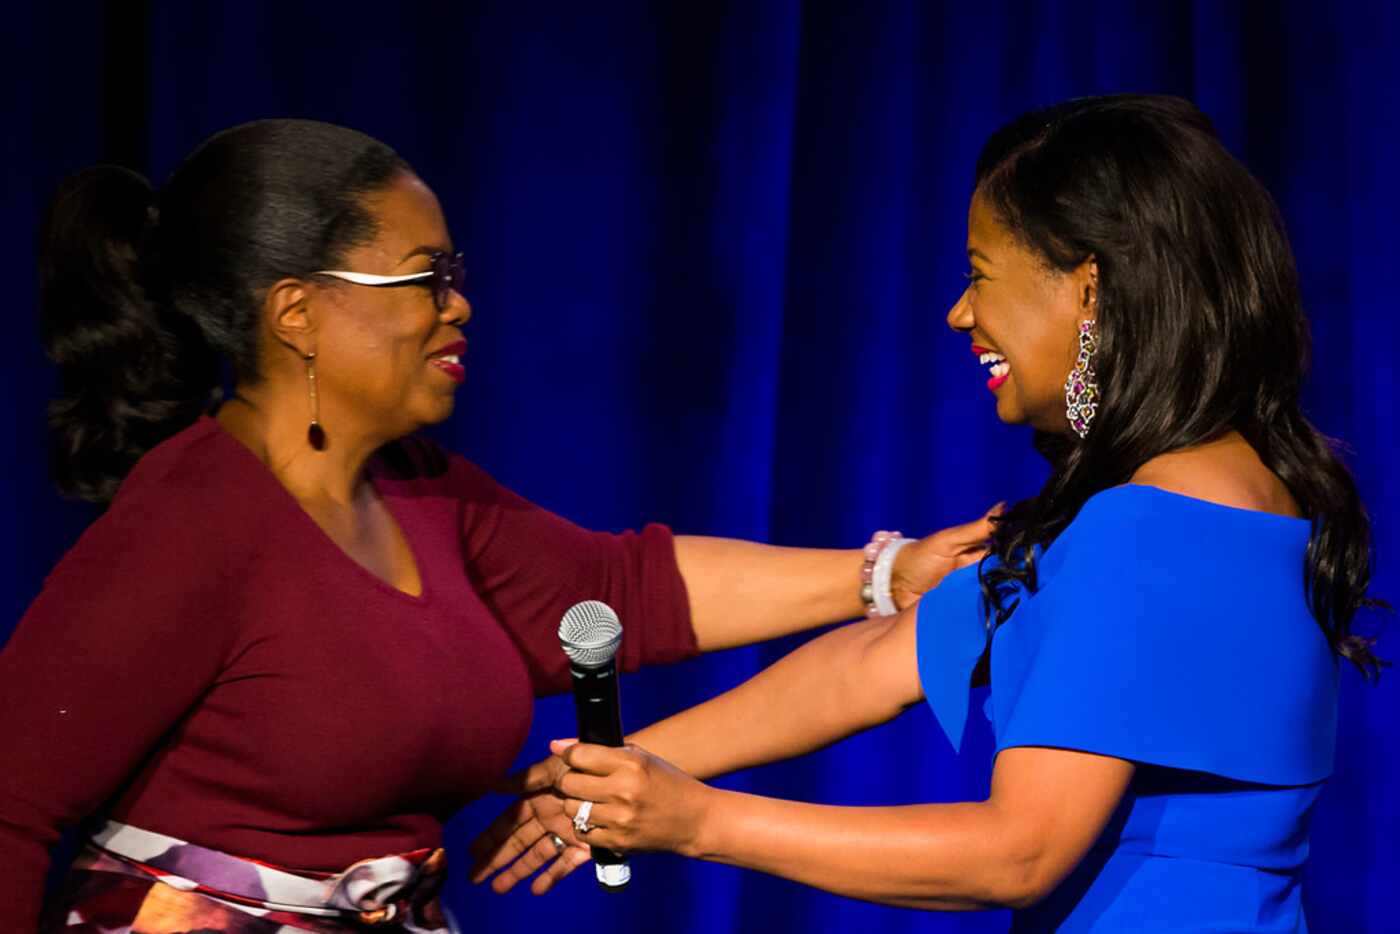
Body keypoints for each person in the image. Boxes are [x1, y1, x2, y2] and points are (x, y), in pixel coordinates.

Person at [0, 119, 996, 933]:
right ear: (296, 313)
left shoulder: (420, 492)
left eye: (454, 272)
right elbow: (11, 805)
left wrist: (890, 574)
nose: (458, 304)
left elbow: (625, 590)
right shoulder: (191, 523)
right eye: (423, 278)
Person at [474, 95, 1384, 931]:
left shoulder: (1147, 530)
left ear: (1089, 286)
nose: (958, 314)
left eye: (980, 274)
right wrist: (607, 771)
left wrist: (698, 821)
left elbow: (1018, 853)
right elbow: (875, 662)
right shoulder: (1237, 496)